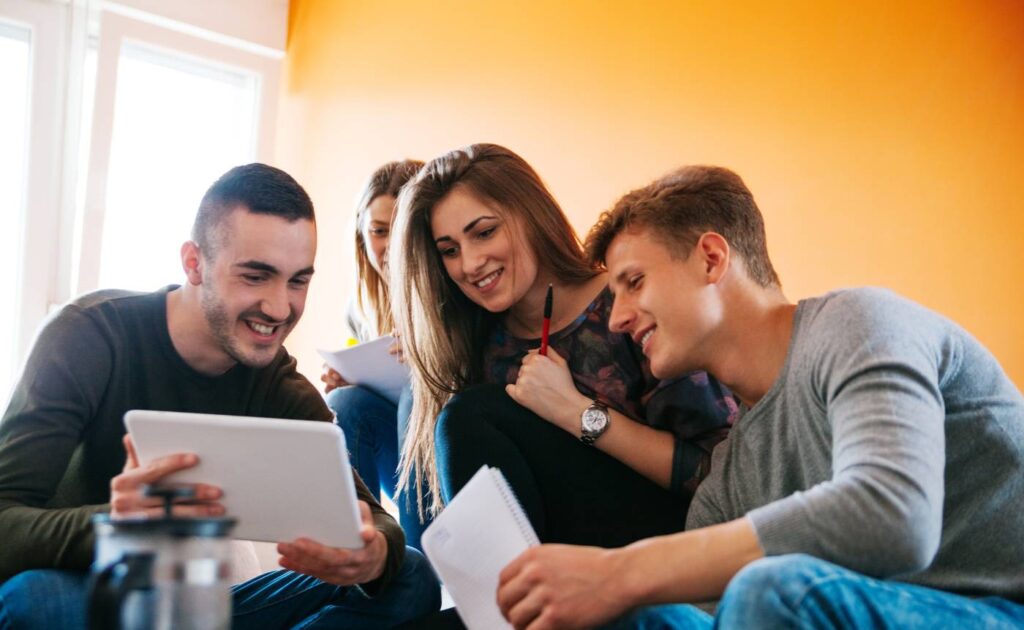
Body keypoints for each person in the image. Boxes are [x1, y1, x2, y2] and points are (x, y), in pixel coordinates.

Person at [495, 165, 1024, 629]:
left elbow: (895, 516)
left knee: (769, 591)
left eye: (634, 282)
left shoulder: (858, 325)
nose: (616, 317)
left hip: (998, 605)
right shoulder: (729, 480)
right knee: (639, 619)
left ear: (710, 258)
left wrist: (621, 571)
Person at [0, 164, 439, 629]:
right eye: (255, 276)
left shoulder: (275, 380)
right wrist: (113, 525)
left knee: (409, 573)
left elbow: (370, 516)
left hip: (208, 608)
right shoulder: (90, 335)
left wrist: (372, 555)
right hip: (96, 592)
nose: (279, 308)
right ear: (194, 263)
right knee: (35, 602)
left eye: (297, 281)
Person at [389, 143, 737, 550]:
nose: (469, 264)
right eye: (449, 251)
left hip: (668, 545)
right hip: (553, 563)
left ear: (531, 216)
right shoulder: (476, 343)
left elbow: (719, 476)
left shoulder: (629, 304)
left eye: (484, 233)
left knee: (468, 414)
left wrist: (578, 414)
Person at [319, 159, 429, 550]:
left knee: (419, 392)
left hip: (453, 464)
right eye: (380, 231)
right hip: (401, 459)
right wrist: (352, 377)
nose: (392, 245)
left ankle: (422, 564)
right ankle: (363, 550)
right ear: (362, 237)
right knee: (344, 403)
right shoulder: (362, 307)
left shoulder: (460, 289)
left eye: (405, 230)